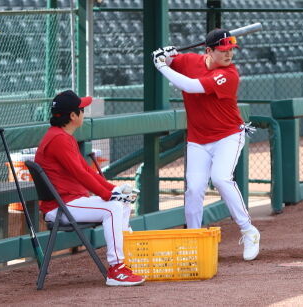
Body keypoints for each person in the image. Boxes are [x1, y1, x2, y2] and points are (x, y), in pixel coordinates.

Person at [152, 28, 260, 261]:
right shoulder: (190, 61)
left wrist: (162, 66)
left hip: (228, 136)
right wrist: (165, 56)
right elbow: (172, 60)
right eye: (223, 50)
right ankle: (193, 241)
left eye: (231, 49)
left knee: (221, 178)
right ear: (209, 51)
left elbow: (190, 86)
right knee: (194, 188)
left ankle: (248, 230)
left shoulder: (229, 74)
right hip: (198, 139)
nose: (229, 54)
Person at [34, 90, 145, 287]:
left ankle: (126, 261)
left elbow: (86, 170)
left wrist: (114, 190)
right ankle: (116, 269)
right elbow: (81, 174)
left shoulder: (62, 136)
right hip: (60, 208)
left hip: (70, 202)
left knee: (122, 202)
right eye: (82, 110)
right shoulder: (58, 139)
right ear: (72, 115)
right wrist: (108, 195)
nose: (84, 113)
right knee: (113, 207)